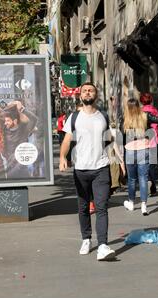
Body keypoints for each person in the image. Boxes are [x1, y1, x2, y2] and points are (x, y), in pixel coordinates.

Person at [59, 82, 116, 261]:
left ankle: (103, 246)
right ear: (80, 96)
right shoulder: (74, 117)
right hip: (81, 169)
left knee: (101, 207)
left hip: (101, 167)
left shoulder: (103, 117)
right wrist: (62, 157)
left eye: (90, 90)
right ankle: (86, 239)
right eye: (84, 91)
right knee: (83, 207)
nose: (87, 93)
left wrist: (118, 160)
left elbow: (110, 141)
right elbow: (67, 140)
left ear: (96, 95)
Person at [122, 98, 152, 215]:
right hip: (143, 150)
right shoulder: (145, 117)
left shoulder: (124, 119)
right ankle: (144, 205)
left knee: (132, 179)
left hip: (130, 151)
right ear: (139, 106)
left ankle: (131, 203)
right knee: (143, 178)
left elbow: (122, 137)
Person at [140, 93, 158, 196]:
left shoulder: (139, 113)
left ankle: (147, 183)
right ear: (151, 100)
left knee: (143, 164)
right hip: (153, 141)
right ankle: (153, 188)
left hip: (141, 141)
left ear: (141, 101)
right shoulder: (156, 112)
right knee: (152, 164)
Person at [3, 101, 38, 179]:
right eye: (5, 121)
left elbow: (34, 119)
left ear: (15, 121)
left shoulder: (23, 130)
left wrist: (22, 109)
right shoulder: (4, 131)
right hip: (10, 168)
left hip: (22, 167)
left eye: (8, 121)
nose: (5, 123)